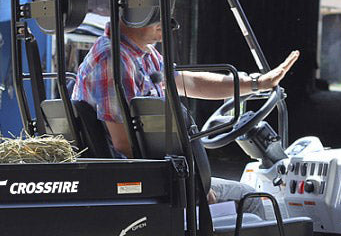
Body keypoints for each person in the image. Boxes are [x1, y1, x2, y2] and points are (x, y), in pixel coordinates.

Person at [72, 19, 299, 218]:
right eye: (157, 11)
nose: (168, 21)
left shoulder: (142, 54)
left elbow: (188, 82)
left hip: (151, 179)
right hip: (138, 186)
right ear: (134, 9)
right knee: (250, 197)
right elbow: (126, 145)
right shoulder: (113, 61)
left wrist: (256, 83)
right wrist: (193, 183)